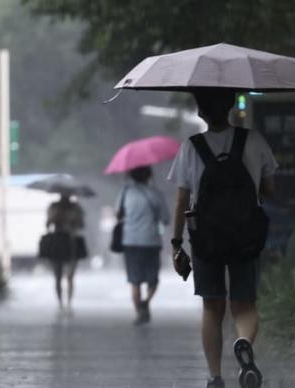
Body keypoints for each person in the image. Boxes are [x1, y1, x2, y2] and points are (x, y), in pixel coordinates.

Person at [168, 89, 277, 388]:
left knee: (211, 306)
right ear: (230, 108)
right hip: (246, 235)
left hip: (205, 237)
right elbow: (269, 190)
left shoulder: (191, 147)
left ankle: (215, 377)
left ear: (201, 113)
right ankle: (243, 342)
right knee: (245, 305)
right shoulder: (253, 140)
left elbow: (181, 201)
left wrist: (176, 244)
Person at [116, 166, 170, 325]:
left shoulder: (125, 192)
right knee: (153, 279)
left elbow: (118, 214)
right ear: (149, 175)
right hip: (151, 241)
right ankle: (146, 302)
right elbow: (166, 219)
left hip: (130, 241)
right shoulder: (156, 193)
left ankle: (139, 312)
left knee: (135, 280)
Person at [45, 193, 85, 311]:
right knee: (57, 276)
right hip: (57, 242)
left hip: (72, 242)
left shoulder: (76, 207)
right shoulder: (54, 207)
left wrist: (74, 220)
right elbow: (47, 224)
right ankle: (60, 303)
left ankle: (69, 302)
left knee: (70, 275)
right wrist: (55, 217)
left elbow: (82, 225)